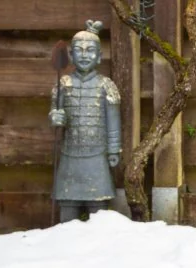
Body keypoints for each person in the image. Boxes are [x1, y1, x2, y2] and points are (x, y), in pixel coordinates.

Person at [49, 20, 122, 222]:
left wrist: (114, 150)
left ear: (99, 57)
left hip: (97, 154)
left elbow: (113, 121)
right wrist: (55, 118)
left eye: (90, 51)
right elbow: (55, 114)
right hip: (69, 153)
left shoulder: (106, 86)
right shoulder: (63, 84)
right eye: (79, 51)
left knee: (98, 208)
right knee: (68, 203)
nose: (84, 55)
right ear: (71, 55)